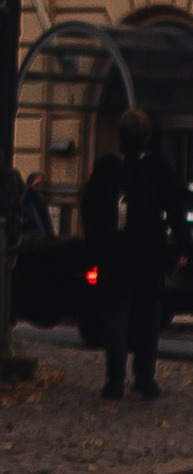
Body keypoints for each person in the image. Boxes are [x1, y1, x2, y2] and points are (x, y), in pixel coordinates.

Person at [80, 105, 185, 400]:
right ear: (148, 135)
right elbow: (175, 211)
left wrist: (94, 249)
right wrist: (182, 247)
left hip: (114, 253)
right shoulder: (159, 167)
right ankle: (145, 377)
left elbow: (90, 210)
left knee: (115, 315)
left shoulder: (106, 167)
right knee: (147, 315)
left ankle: (115, 380)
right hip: (149, 253)